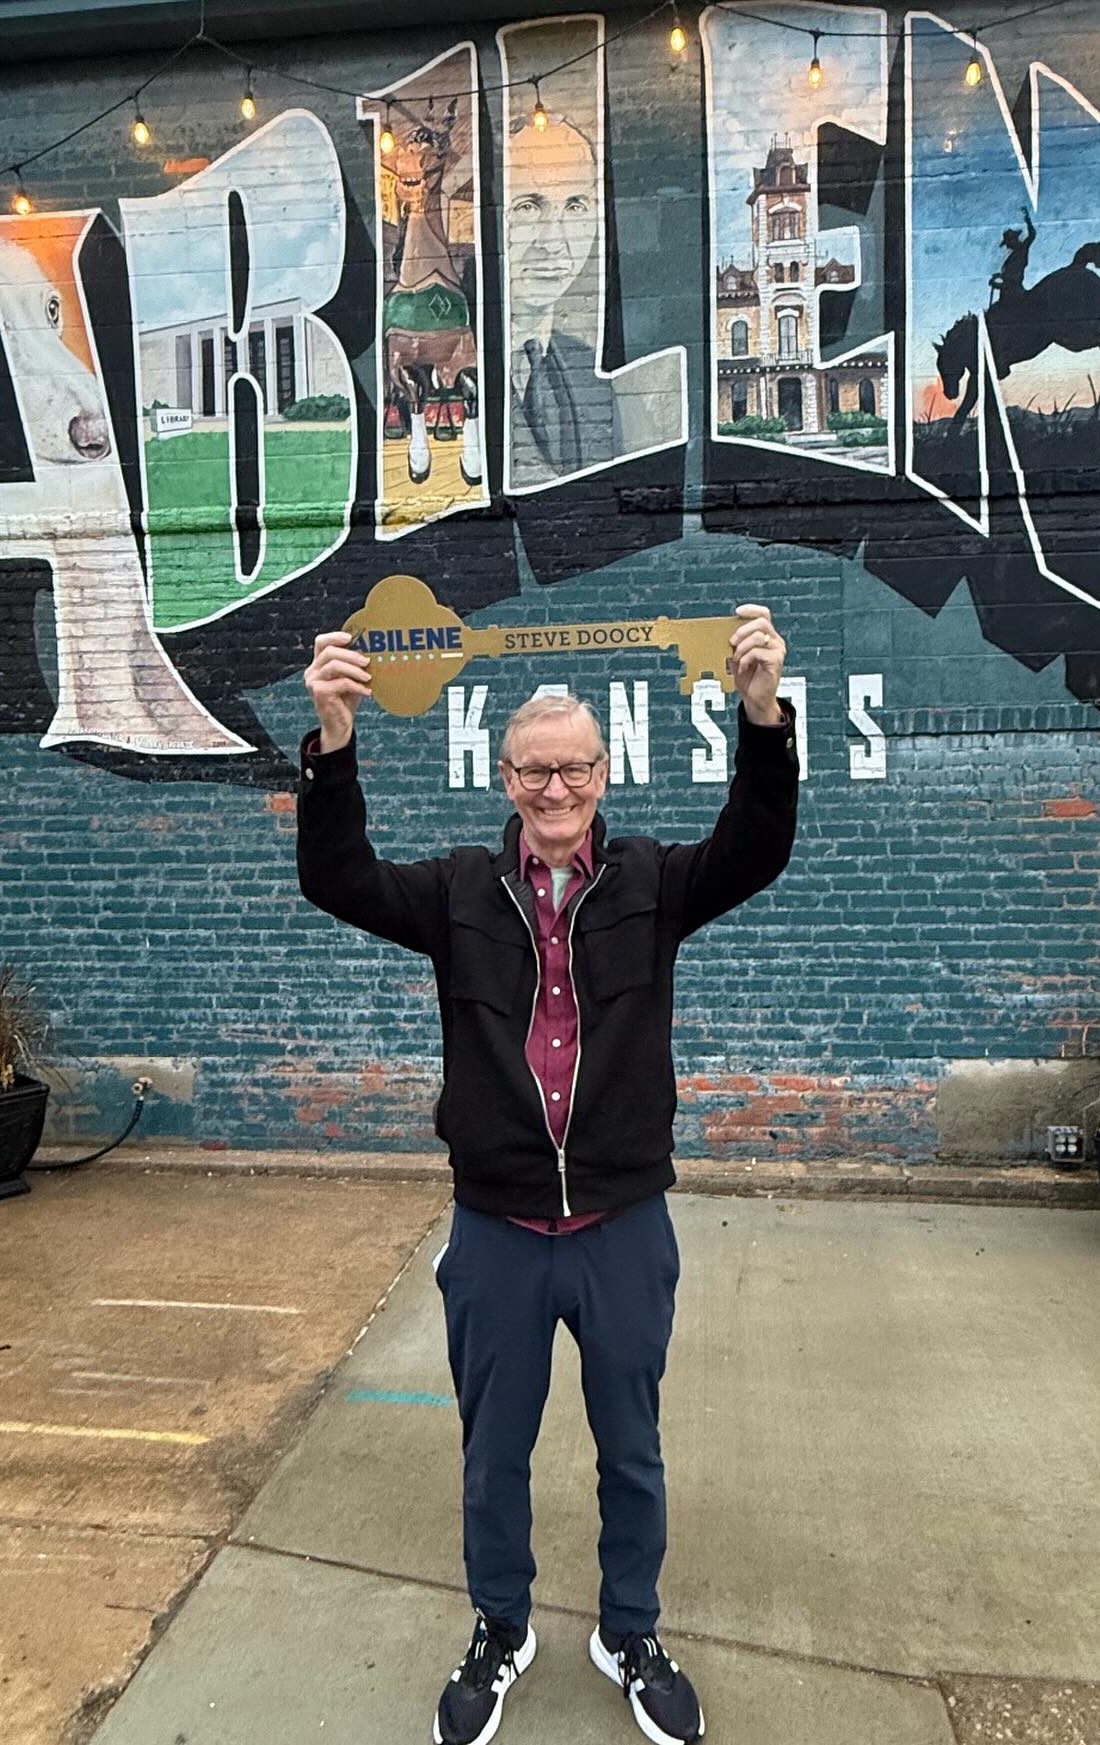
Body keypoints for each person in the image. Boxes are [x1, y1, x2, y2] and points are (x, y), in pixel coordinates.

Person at [297, 607, 798, 1745]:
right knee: (493, 1454)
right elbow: (339, 877)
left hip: (623, 1221)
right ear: (507, 776)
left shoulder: (657, 882)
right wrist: (332, 737)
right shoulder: (460, 890)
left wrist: (760, 713)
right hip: (499, 1232)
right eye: (535, 769)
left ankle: (629, 1629)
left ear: (603, 770)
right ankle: (500, 1624)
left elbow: (758, 845)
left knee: (632, 1443)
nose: (556, 787)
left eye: (574, 766)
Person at [504, 111, 617, 484]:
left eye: (575, 207)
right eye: (527, 207)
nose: (552, 242)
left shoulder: (591, 370)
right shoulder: (453, 366)